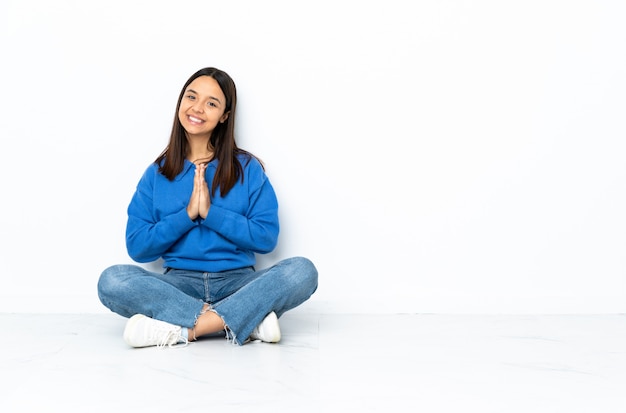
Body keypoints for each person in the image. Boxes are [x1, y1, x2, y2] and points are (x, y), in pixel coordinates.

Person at [97, 67, 318, 348]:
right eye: (191, 97)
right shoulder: (156, 174)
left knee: (301, 271)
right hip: (179, 286)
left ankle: (183, 330)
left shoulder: (248, 169)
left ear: (224, 116)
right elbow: (138, 247)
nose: (197, 108)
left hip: (238, 284)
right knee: (113, 281)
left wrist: (211, 214)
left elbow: (266, 239)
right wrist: (188, 215)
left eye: (211, 103)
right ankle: (244, 321)